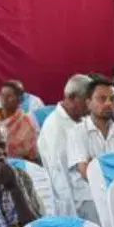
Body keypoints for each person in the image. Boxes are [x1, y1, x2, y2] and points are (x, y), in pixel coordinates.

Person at [34, 74, 93, 216]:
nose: (91, 104)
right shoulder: (56, 128)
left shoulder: (82, 119)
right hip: (77, 204)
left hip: (90, 191)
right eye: (87, 99)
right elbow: (61, 180)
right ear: (72, 98)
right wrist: (74, 217)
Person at [0, 79, 39, 163]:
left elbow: (31, 155)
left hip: (17, 165)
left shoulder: (26, 122)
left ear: (20, 100)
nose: (4, 99)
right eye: (2, 95)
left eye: (9, 96)